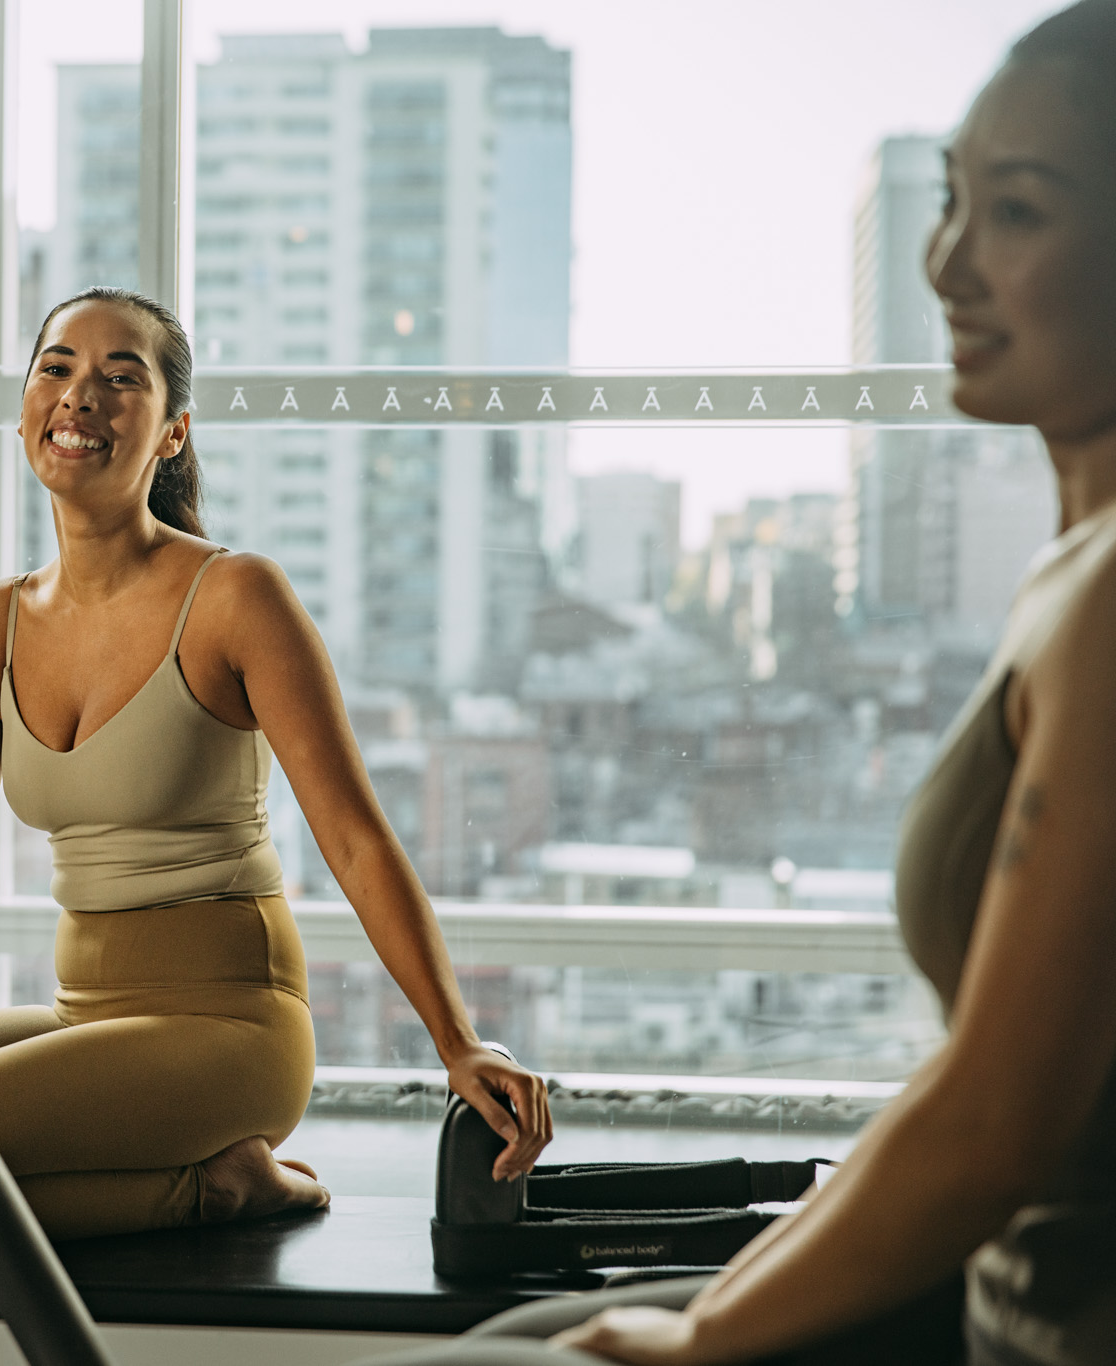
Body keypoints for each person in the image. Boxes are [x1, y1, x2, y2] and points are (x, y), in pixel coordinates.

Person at [377, 4, 1116, 1362]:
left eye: (1016, 213)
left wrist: (702, 1345)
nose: (947, 262)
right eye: (951, 200)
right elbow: (959, 1083)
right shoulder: (1069, 573)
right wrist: (710, 1304)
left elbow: (1000, 1116)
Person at [0, 286, 552, 1249]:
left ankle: (217, 1187)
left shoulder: (235, 598)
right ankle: (183, 1172)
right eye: (56, 368)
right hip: (84, 1014)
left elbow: (355, 841)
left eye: (118, 378)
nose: (78, 397)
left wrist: (455, 1039)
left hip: (231, 1028)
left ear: (172, 432)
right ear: (24, 410)